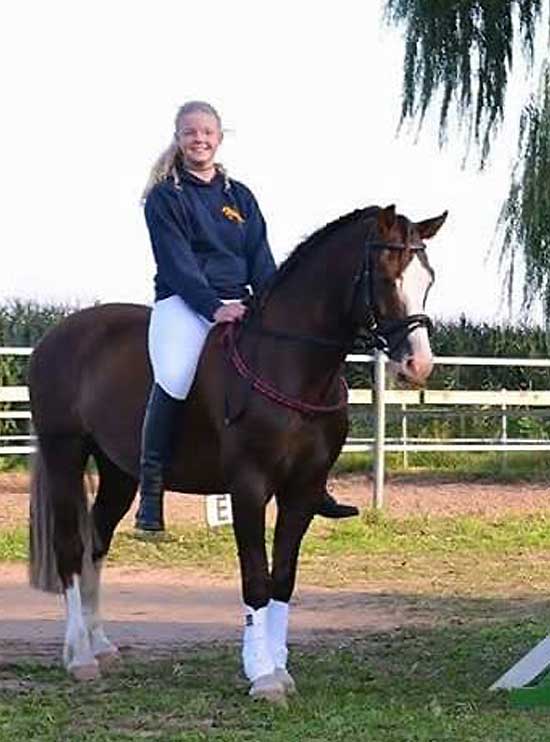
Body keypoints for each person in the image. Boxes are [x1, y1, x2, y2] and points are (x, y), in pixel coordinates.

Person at [135, 100, 357, 533]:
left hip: (242, 302)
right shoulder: (165, 197)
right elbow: (177, 263)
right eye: (190, 132)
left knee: (299, 371)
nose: (199, 139)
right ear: (178, 138)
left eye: (207, 132)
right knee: (175, 376)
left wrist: (276, 304)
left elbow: (260, 257)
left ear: (219, 137)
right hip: (184, 303)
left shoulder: (239, 196)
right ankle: (152, 487)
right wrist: (213, 307)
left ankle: (313, 481)